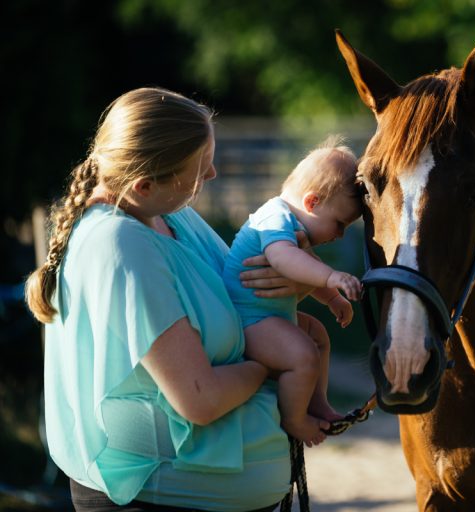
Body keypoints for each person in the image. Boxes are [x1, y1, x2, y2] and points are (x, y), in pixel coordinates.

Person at [25, 87, 306, 511]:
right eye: (199, 168)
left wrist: (291, 284)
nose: (210, 177)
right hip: (157, 499)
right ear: (143, 183)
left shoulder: (168, 215)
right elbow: (200, 398)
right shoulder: (121, 243)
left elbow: (239, 298)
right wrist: (275, 361)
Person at [222, 138, 362, 447]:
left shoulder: (292, 227)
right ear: (312, 202)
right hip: (247, 319)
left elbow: (304, 266)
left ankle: (318, 402)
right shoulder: (274, 217)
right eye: (339, 224)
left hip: (266, 315)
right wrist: (331, 277)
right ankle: (295, 418)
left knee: (317, 335)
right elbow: (284, 260)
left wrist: (334, 299)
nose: (339, 235)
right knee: (303, 353)